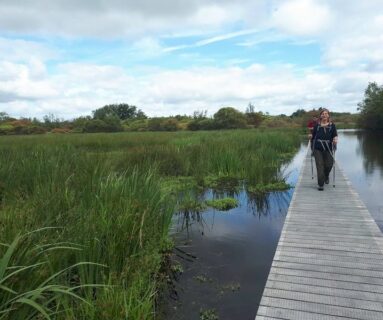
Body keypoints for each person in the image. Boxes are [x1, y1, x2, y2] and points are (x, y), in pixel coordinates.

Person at [309, 108, 338, 191]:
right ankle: (321, 184)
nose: (324, 115)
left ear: (328, 115)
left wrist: (335, 139)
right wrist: (310, 137)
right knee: (319, 165)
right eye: (323, 114)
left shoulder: (332, 125)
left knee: (329, 164)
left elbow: (335, 135)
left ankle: (326, 176)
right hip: (318, 148)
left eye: (326, 113)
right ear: (320, 116)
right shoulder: (317, 126)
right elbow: (313, 136)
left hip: (328, 148)